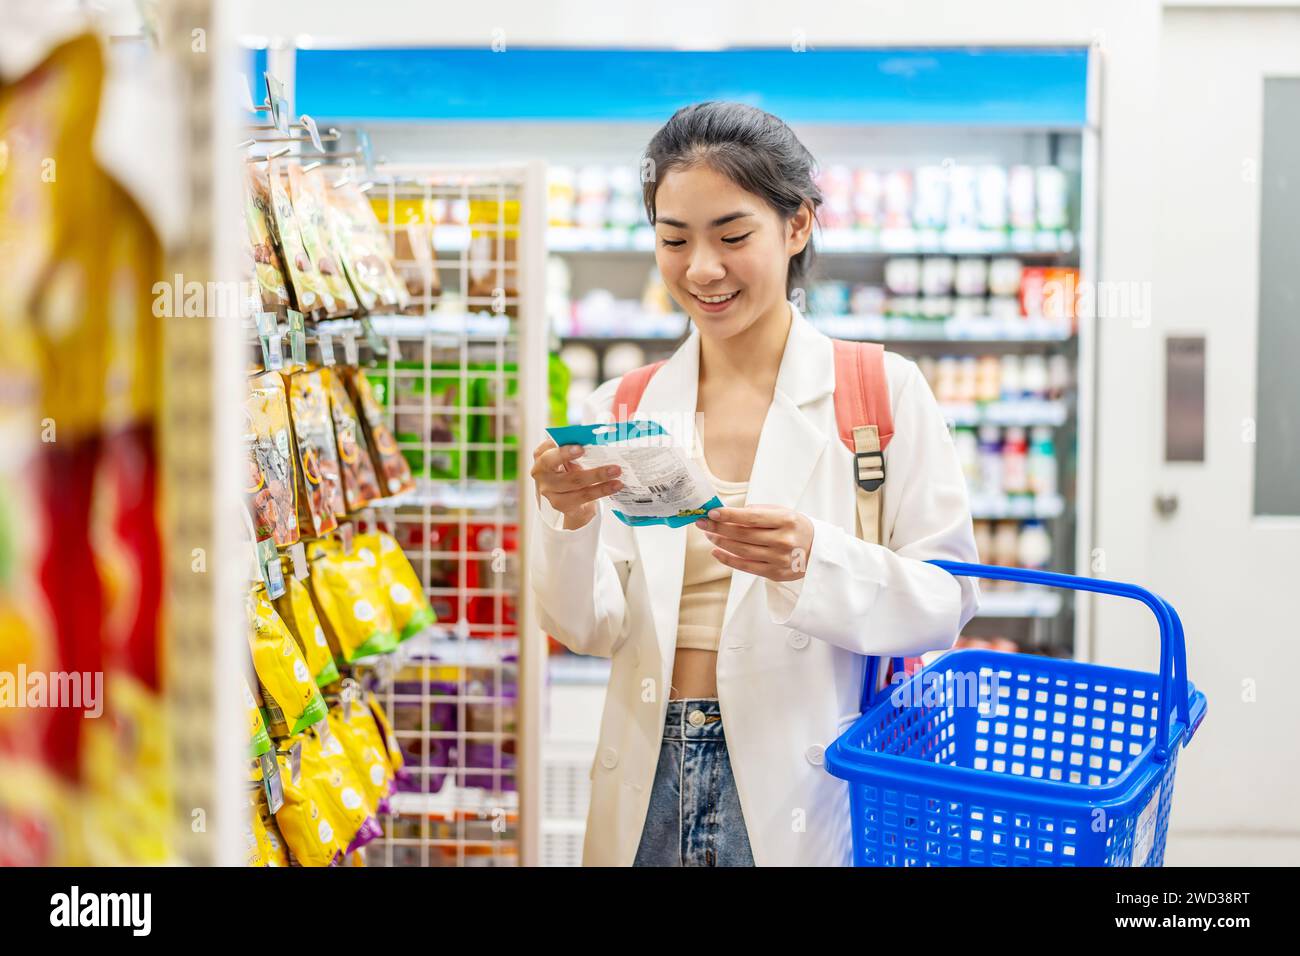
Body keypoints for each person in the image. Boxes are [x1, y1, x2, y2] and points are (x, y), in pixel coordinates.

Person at [529, 101, 981, 866]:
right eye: (674, 240)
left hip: (798, 778)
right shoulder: (625, 406)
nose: (701, 268)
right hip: (649, 771)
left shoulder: (881, 391)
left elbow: (947, 602)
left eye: (732, 236)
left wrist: (815, 557)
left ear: (796, 225)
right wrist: (567, 522)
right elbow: (590, 628)